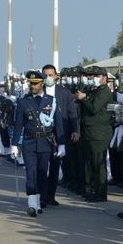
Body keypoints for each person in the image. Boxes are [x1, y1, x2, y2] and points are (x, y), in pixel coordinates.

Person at [11, 71, 65, 216]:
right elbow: (18, 124)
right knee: (30, 173)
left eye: (35, 83)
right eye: (31, 83)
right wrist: (15, 144)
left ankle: (40, 199)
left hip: (45, 142)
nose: (32, 86)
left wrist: (61, 144)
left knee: (42, 173)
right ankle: (32, 203)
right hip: (29, 142)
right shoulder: (23, 101)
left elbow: (58, 124)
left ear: (42, 83)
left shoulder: (51, 101)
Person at [42, 64, 79, 207]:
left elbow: (72, 113)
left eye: (51, 75)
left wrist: (76, 130)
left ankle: (50, 196)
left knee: (55, 167)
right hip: (42, 134)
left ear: (56, 76)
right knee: (42, 167)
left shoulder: (65, 93)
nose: (48, 78)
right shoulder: (38, 92)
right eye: (45, 75)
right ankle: (41, 196)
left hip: (59, 135)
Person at [76, 67, 113, 202]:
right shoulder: (96, 90)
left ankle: (101, 193)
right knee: (90, 163)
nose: (94, 78)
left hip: (99, 132)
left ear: (104, 77)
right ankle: (93, 189)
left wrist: (84, 99)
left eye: (97, 76)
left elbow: (94, 108)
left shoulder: (104, 92)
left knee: (98, 163)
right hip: (90, 131)